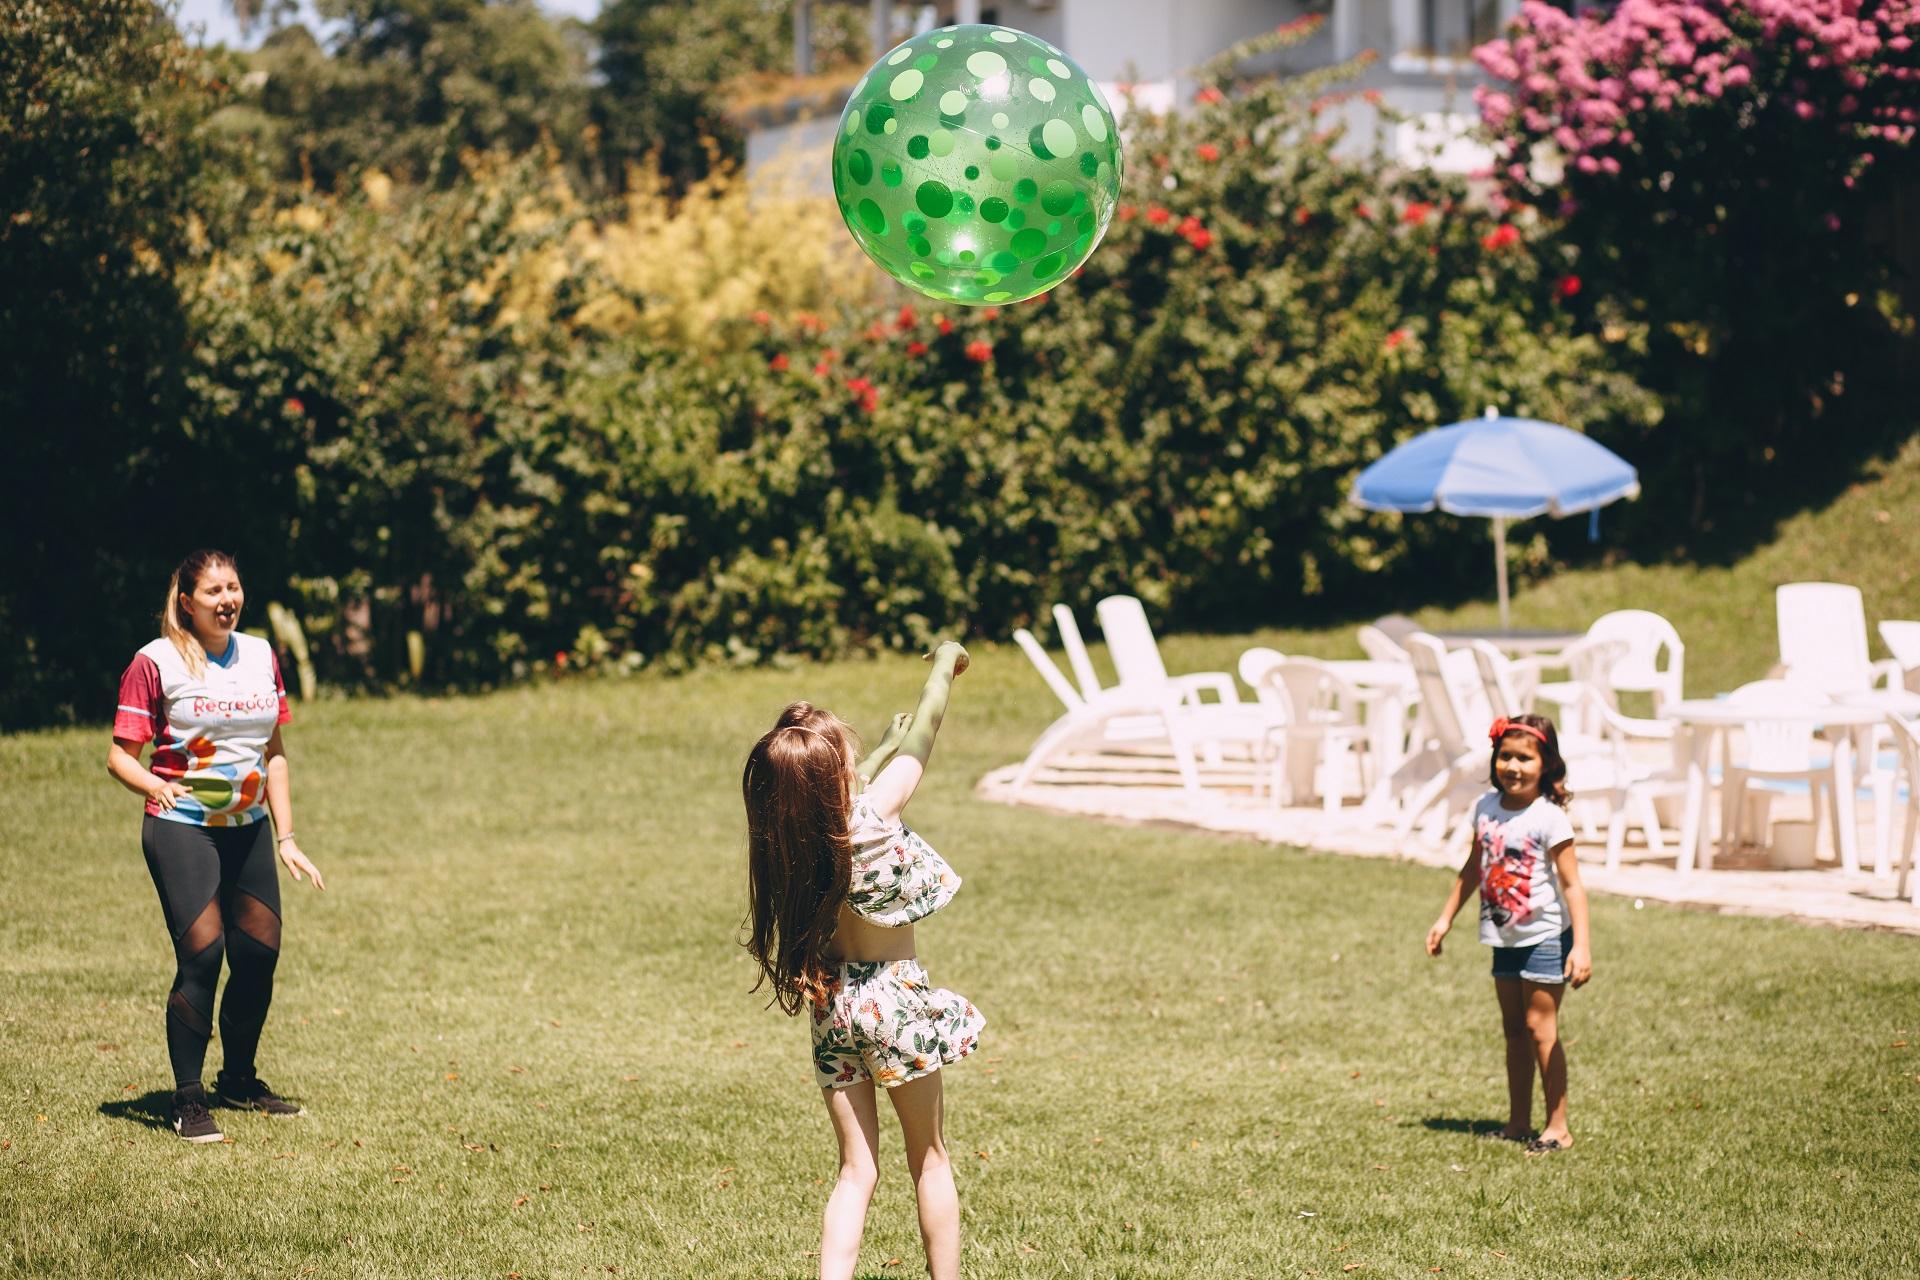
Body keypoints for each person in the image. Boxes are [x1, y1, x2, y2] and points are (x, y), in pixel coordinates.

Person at [742, 642, 983, 1280]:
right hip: (894, 1001)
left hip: (833, 1008)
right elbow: (927, 727)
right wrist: (944, 664)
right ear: (841, 778)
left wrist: (872, 750)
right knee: (929, 1158)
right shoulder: (875, 818)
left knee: (856, 1170)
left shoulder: (795, 848)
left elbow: (826, 801)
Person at [107, 550, 325, 1144]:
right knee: (203, 956)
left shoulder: (259, 655)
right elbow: (119, 757)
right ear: (187, 601)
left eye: (234, 587)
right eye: (213, 592)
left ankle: (239, 1080)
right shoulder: (156, 662)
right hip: (184, 827)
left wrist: (287, 837)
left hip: (249, 826)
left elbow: (273, 752)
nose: (227, 600)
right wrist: (158, 787)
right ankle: (186, 1098)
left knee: (258, 954)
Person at [1425, 712, 1591, 1154]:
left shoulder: (1549, 818)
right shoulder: (1486, 809)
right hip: (1503, 937)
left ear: (1547, 765)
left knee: (1541, 1029)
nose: (1513, 767)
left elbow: (1573, 885)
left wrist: (1583, 948)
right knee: (1514, 1030)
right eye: (1505, 756)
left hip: (1546, 936)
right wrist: (1445, 919)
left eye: (1525, 758)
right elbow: (1472, 869)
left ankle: (1558, 1127)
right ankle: (1518, 1122)